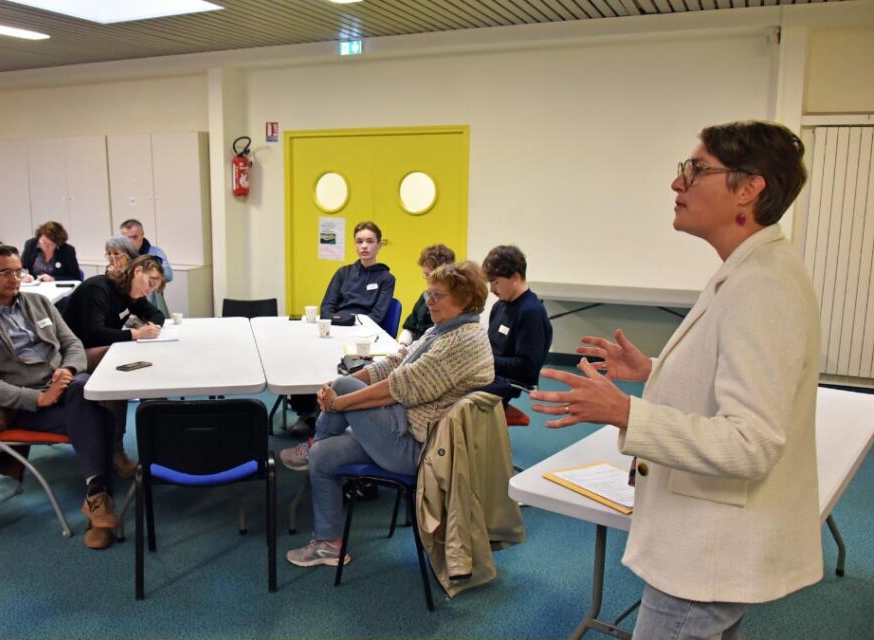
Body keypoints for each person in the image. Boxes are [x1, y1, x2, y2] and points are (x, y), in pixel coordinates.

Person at [529, 121, 821, 638]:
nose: (677, 182)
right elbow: (733, 370)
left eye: (696, 169)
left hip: (705, 553)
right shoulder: (751, 267)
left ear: (749, 188)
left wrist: (626, 411)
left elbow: (751, 441)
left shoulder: (762, 283)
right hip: (709, 543)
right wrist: (654, 370)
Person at [280, 261, 494, 567]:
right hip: (403, 429)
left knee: (343, 385)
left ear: (464, 300)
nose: (429, 301)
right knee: (322, 456)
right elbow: (395, 362)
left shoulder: (461, 342)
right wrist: (337, 391)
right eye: (428, 294)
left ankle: (316, 439)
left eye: (437, 296)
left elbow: (398, 387)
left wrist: (338, 401)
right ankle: (329, 544)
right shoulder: (444, 330)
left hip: (423, 450)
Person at [0, 244, 119, 550]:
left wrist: (67, 369)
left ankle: (97, 501)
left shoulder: (38, 302)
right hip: (24, 407)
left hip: (66, 387)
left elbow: (72, 343)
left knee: (82, 392)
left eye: (18, 271)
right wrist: (38, 399)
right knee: (97, 415)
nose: (14, 278)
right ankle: (99, 500)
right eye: (5, 272)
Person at [288, 221, 396, 437]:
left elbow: (376, 316)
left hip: (363, 334)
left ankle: (329, 412)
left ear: (379, 245)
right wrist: (344, 320)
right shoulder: (343, 273)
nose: (364, 246)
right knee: (306, 354)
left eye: (370, 241)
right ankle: (306, 412)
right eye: (359, 241)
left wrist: (345, 319)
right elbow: (326, 308)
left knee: (339, 364)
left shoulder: (386, 278)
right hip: (337, 328)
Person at [61, 254, 166, 477]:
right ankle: (115, 446)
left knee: (132, 360)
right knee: (118, 364)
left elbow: (156, 313)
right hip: (72, 355)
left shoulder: (131, 294)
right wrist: (136, 334)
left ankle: (157, 428)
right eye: (150, 283)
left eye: (154, 288)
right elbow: (94, 333)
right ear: (137, 271)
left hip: (96, 349)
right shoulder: (97, 289)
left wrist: (152, 326)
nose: (149, 291)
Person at [481, 245, 552, 403]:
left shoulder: (531, 312)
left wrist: (484, 360)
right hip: (490, 373)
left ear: (515, 277)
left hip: (506, 381)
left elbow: (526, 366)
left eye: (495, 282)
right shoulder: (499, 306)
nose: (491, 289)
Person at [398, 243, 455, 346]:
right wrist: (402, 345)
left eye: (429, 275)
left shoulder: (452, 302)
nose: (427, 280)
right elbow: (410, 327)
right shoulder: (425, 296)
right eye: (425, 275)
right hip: (414, 348)